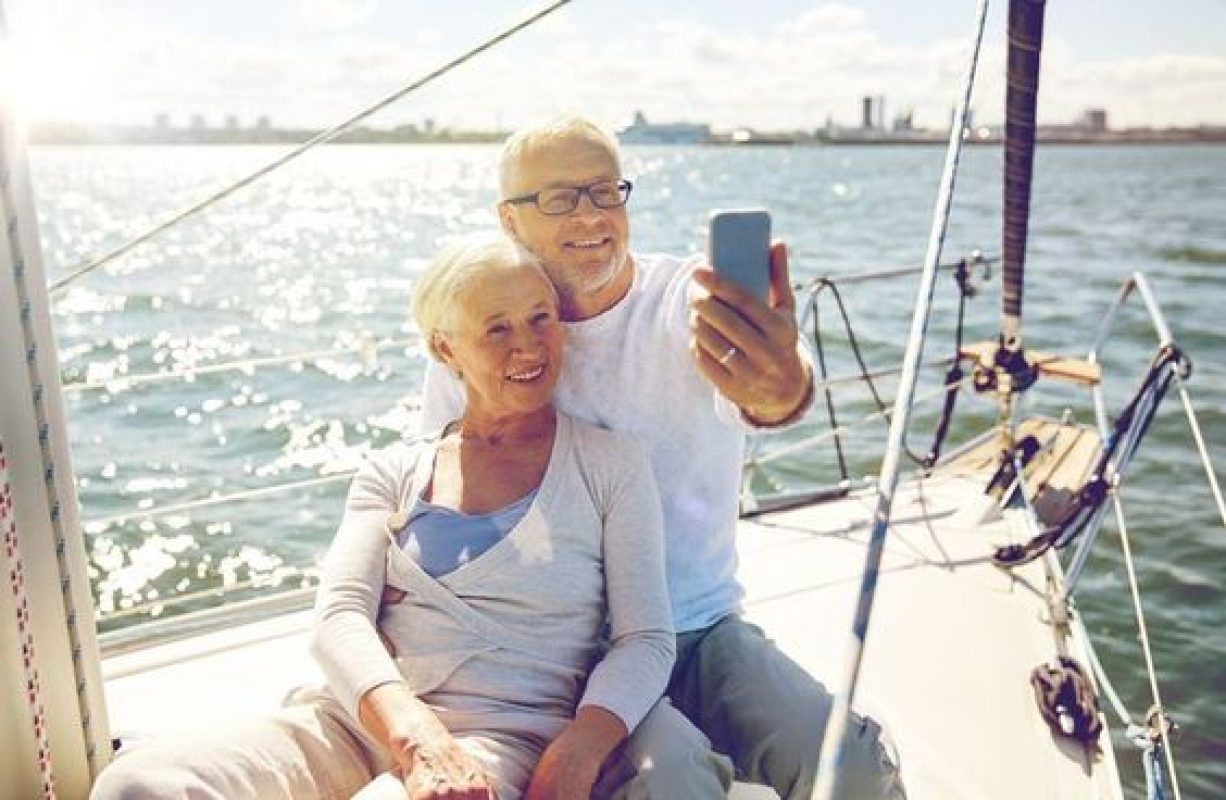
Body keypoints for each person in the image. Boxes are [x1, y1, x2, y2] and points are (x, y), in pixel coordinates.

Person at [90, 234, 692, 800]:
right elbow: (340, 618)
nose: (528, 345)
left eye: (540, 318)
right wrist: (417, 737)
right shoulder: (392, 470)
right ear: (443, 347)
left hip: (505, 738)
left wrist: (579, 749)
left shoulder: (610, 464)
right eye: (496, 328)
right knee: (139, 784)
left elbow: (644, 639)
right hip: (361, 723)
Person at [420, 115, 906, 799]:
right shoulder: (482, 332)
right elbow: (443, 490)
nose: (590, 216)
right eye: (560, 198)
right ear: (509, 220)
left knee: (847, 765)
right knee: (671, 780)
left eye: (605, 192)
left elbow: (771, 393)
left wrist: (781, 385)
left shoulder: (689, 302)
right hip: (559, 649)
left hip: (698, 626)